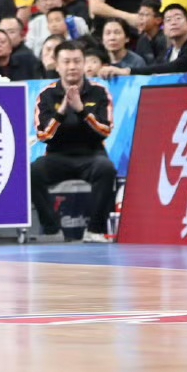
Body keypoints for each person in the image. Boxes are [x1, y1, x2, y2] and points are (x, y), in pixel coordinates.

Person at [29, 43, 117, 242]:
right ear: (57, 65)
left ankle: (95, 230)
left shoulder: (99, 92)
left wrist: (81, 110)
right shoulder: (47, 95)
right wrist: (61, 111)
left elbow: (105, 130)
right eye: (66, 62)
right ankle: (52, 230)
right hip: (57, 156)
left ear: (84, 63)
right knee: (33, 172)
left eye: (77, 61)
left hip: (92, 155)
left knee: (106, 169)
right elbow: (43, 135)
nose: (72, 66)